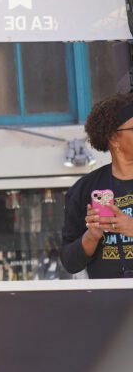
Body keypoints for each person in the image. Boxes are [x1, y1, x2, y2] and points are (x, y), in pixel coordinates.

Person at [60, 92, 133, 278]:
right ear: (114, 138)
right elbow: (69, 263)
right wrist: (91, 235)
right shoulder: (84, 189)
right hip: (109, 303)